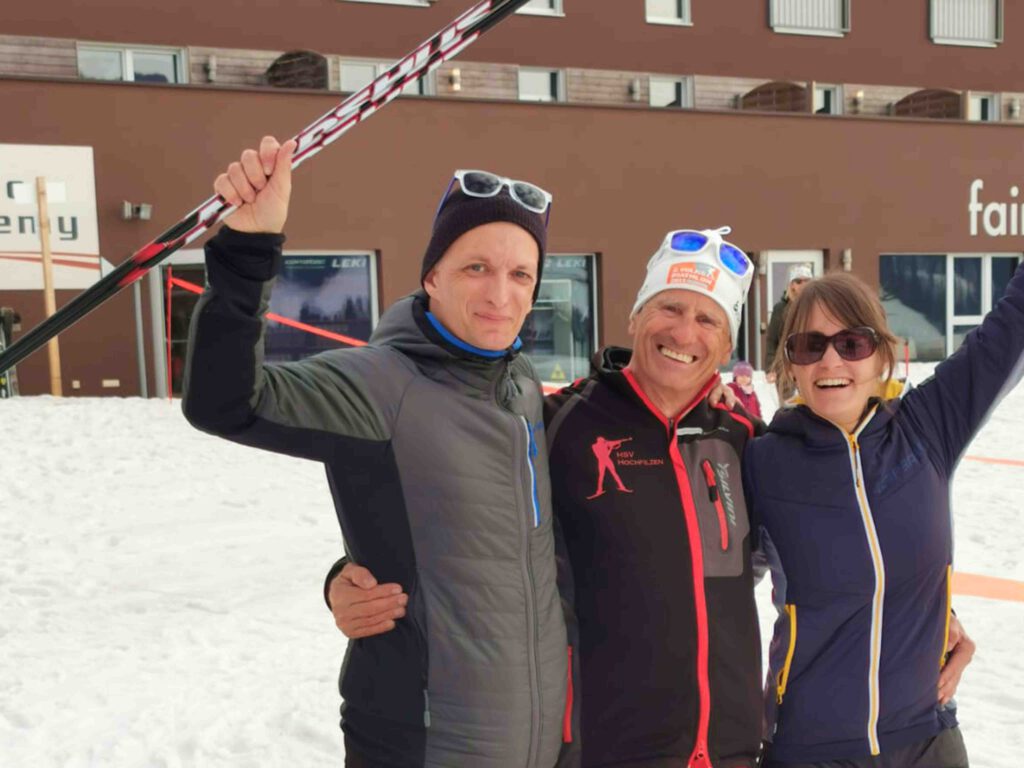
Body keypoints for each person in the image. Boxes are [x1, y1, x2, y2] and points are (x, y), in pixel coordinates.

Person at [327, 230, 976, 767]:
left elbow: (826, 546)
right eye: (670, 308)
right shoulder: (556, 426)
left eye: (707, 320)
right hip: (605, 749)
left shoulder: (746, 442)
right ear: (636, 314)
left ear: (726, 346)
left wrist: (918, 621)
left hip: (729, 753)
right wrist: (345, 580)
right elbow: (455, 518)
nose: (684, 331)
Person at [182, 138, 570, 767]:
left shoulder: (520, 385)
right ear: (432, 276)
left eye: (520, 273)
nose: (501, 293)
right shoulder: (377, 384)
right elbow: (226, 400)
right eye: (476, 267)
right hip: (419, 743)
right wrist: (247, 252)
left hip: (533, 742)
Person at [746, 268, 1013, 767]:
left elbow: (1010, 328)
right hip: (810, 749)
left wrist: (940, 613)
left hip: (927, 739)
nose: (830, 359)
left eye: (852, 342)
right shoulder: (761, 463)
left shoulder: (929, 428)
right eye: (810, 345)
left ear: (882, 355)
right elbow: (712, 588)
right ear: (791, 364)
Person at [765, 264, 812, 385]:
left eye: (807, 281)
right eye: (798, 281)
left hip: (811, 365)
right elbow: (772, 341)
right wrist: (771, 369)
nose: (803, 284)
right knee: (788, 403)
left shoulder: (817, 307)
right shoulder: (781, 309)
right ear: (791, 285)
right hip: (786, 369)